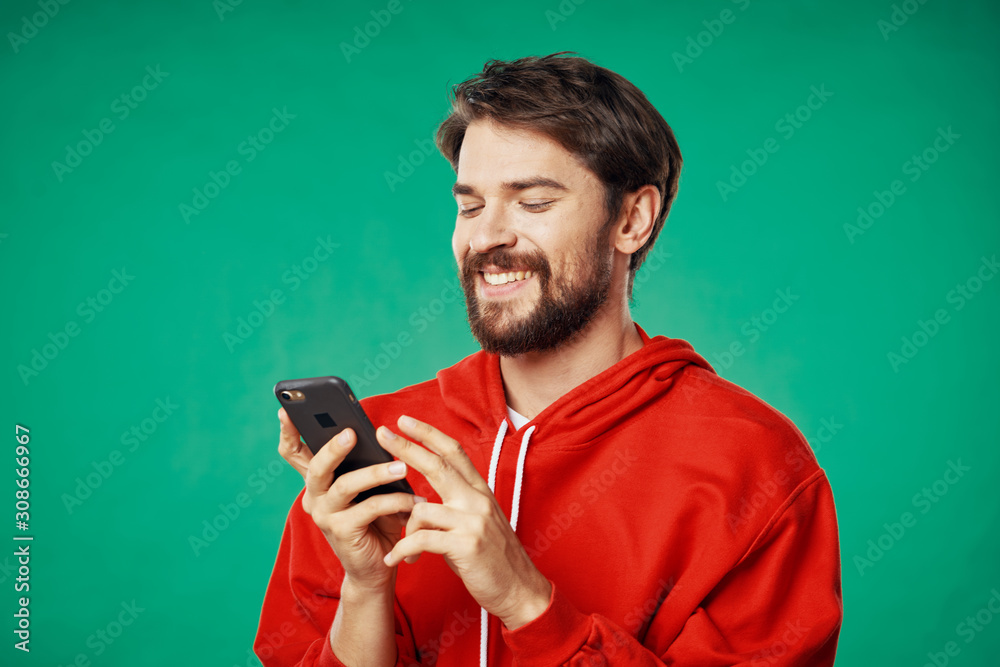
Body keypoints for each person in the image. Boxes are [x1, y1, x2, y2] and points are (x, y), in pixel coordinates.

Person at [254, 52, 843, 666]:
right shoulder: (372, 452)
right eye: (470, 205)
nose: (486, 238)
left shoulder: (757, 466)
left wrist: (525, 600)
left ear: (632, 220)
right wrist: (366, 589)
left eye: (532, 202)